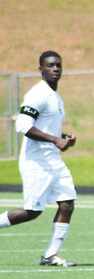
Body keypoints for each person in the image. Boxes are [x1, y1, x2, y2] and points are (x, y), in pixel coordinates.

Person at [0, 51, 77, 267]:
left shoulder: (56, 96)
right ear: (40, 69)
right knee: (32, 212)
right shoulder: (38, 94)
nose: (55, 69)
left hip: (53, 160)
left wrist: (63, 138)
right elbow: (23, 126)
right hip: (36, 162)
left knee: (67, 203)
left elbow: (45, 128)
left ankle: (50, 255)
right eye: (50, 65)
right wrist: (55, 139)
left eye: (58, 65)